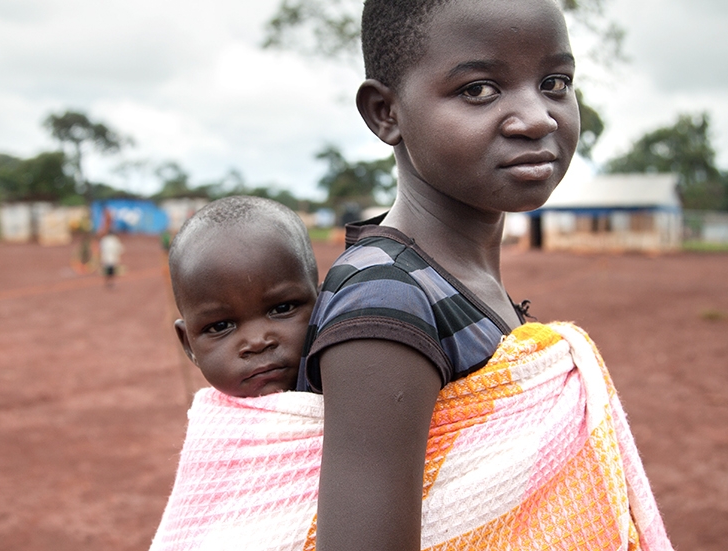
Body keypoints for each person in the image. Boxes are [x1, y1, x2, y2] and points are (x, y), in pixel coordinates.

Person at [302, 0, 608, 548]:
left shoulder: (452, 278)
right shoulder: (387, 300)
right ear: (385, 113)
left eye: (555, 81)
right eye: (479, 90)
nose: (537, 117)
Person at [169, 196, 318, 398]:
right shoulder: (210, 427)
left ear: (322, 303)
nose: (257, 342)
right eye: (220, 327)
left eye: (282, 309)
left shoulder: (359, 392)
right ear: (188, 344)